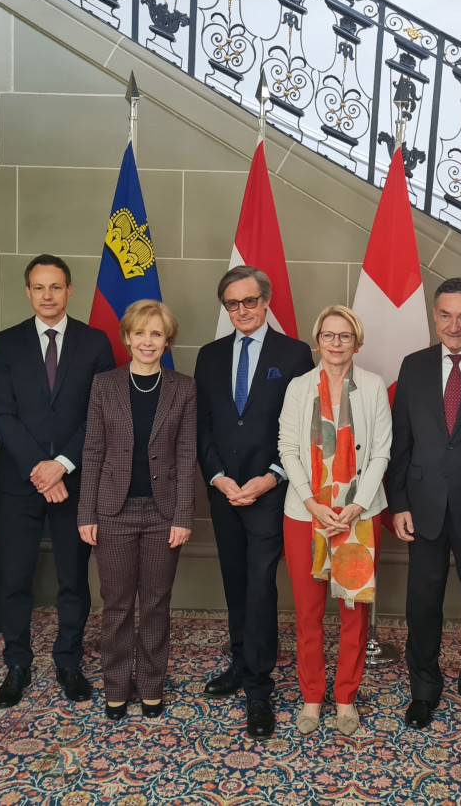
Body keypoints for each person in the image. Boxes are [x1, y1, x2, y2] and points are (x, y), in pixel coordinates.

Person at [0, 254, 114, 708]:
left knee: (73, 577)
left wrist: (61, 464)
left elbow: (100, 415)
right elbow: (1, 413)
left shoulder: (96, 342)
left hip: (74, 480)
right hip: (19, 481)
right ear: (27, 291)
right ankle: (17, 662)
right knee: (15, 576)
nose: (47, 295)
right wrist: (39, 469)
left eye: (55, 287)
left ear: (69, 290)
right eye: (39, 287)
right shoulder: (5, 343)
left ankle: (68, 661)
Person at [194, 265, 314, 738]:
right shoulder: (209, 355)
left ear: (266, 302)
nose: (241, 310)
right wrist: (219, 478)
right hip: (224, 492)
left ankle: (259, 689)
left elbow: (305, 427)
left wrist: (271, 478)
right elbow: (201, 425)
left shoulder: (295, 353)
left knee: (261, 585)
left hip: (271, 491)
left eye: (249, 301)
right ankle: (241, 662)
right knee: (235, 580)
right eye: (232, 304)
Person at [388, 277, 461, 734]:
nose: (454, 325)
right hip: (424, 506)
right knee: (423, 604)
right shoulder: (413, 366)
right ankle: (424, 690)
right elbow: (402, 443)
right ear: (435, 316)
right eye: (446, 315)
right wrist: (398, 503)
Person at [78, 300, 196, 720]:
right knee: (117, 604)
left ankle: (150, 684)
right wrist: (86, 513)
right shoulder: (104, 385)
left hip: (163, 513)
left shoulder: (183, 387)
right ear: (127, 338)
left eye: (157, 334)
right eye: (140, 333)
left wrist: (184, 515)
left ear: (167, 341)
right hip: (112, 511)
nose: (148, 341)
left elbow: (186, 454)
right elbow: (92, 450)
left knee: (156, 604)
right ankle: (115, 684)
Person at [278, 305, 392, 736]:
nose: (336, 343)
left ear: (356, 342)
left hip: (356, 517)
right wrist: (311, 501)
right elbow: (287, 446)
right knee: (308, 612)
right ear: (318, 340)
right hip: (306, 514)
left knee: (353, 612)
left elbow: (382, 450)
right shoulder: (299, 387)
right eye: (328, 335)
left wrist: (357, 506)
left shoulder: (374, 386)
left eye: (345, 336)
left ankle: (345, 699)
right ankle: (311, 698)